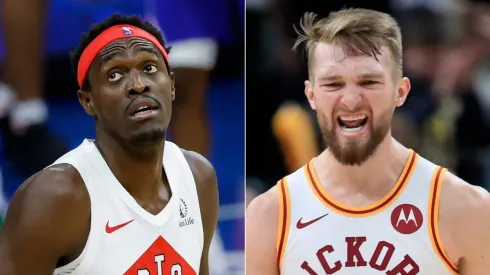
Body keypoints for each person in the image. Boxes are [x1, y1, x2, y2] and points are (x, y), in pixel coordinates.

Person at [246, 8, 490, 275]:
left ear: (400, 91)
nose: (351, 100)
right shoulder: (269, 215)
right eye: (333, 84)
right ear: (311, 95)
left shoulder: (468, 209)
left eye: (369, 82)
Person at [0, 14, 219, 275]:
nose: (138, 85)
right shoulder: (55, 198)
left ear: (171, 85)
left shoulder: (198, 177)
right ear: (87, 100)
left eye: (149, 68)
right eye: (115, 75)